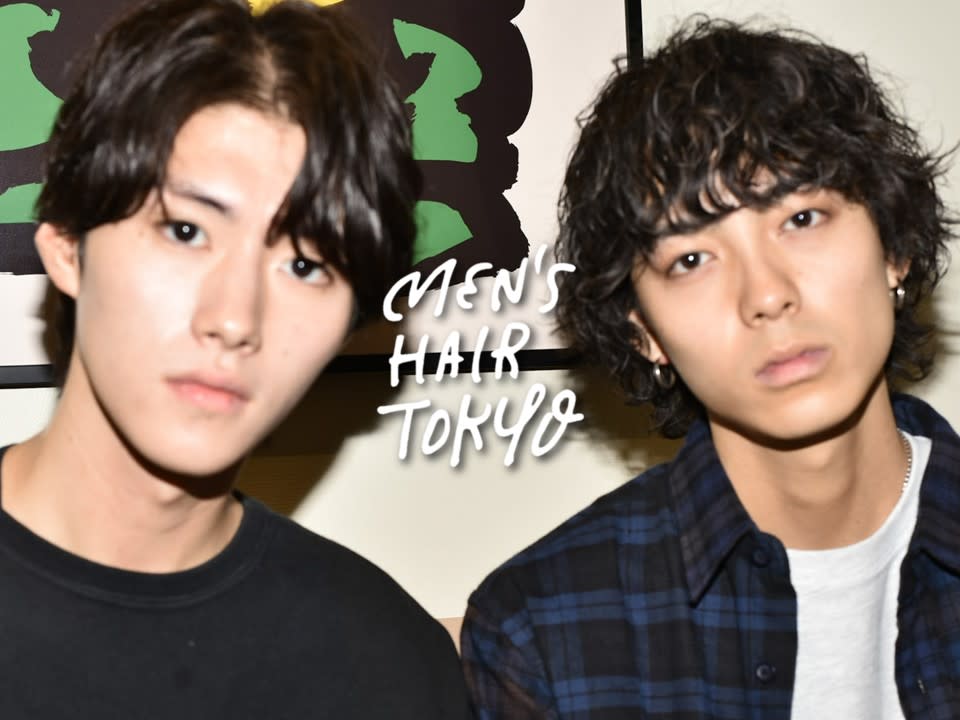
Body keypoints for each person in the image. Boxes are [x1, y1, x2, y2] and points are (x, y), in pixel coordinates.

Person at [460, 16, 959, 719]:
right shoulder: (540, 627)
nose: (767, 295)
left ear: (894, 248)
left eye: (802, 219)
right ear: (643, 331)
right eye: (691, 259)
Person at [0, 0, 471, 717]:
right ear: (67, 247)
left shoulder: (387, 665)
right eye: (186, 231)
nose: (234, 319)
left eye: (307, 265)